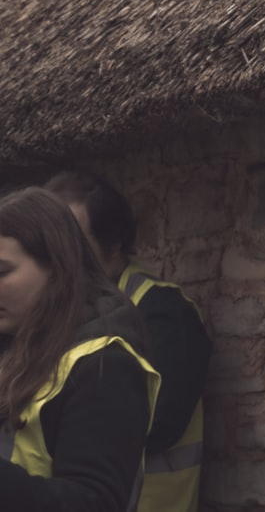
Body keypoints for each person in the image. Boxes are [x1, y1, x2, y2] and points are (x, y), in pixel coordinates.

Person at [44, 171, 211, 512]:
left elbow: (162, 421)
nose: (60, 256)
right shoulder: (57, 312)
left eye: (75, 242)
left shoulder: (163, 311)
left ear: (114, 241)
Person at [0, 187, 160, 511]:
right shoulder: (13, 343)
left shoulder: (105, 365)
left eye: (2, 271)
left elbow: (92, 502)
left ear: (57, 267)